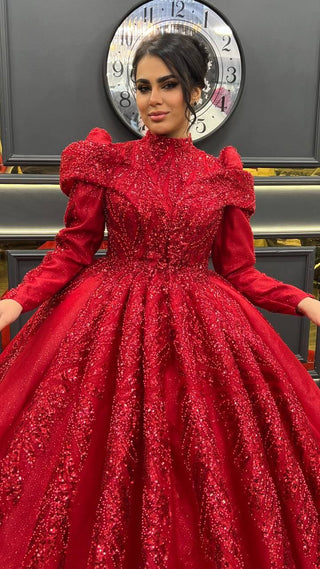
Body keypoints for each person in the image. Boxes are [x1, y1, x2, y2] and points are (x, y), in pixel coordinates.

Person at [0, 31, 319, 569]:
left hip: (203, 324)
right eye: (143, 86)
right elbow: (73, 251)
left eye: (168, 85)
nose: (153, 99)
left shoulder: (223, 177)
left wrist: (305, 303)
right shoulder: (108, 163)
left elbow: (239, 270)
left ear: (195, 90)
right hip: (108, 321)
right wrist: (16, 301)